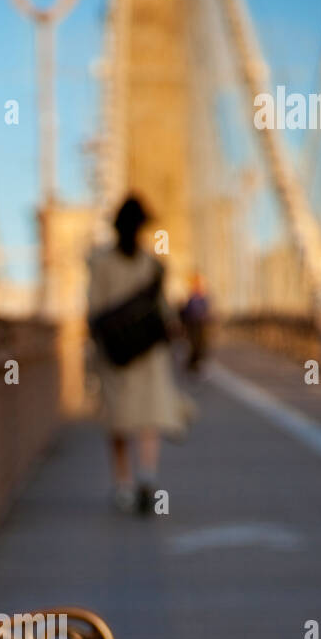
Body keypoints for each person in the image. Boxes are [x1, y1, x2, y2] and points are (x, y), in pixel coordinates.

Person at [87, 194, 193, 514]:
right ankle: (147, 476)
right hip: (148, 353)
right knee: (149, 417)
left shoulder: (101, 263)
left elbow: (93, 311)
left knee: (119, 420)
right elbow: (163, 311)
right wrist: (178, 341)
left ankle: (123, 486)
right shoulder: (152, 264)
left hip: (116, 354)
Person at [179, 272, 211, 374]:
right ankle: (192, 364)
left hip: (200, 324)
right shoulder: (191, 297)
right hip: (192, 324)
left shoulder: (202, 297)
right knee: (194, 344)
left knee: (200, 344)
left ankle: (196, 363)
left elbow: (206, 309)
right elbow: (186, 310)